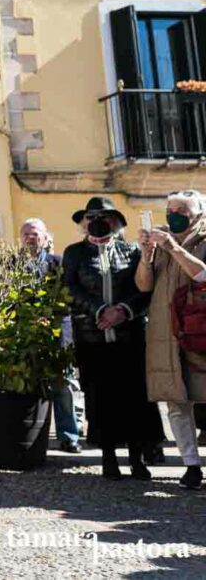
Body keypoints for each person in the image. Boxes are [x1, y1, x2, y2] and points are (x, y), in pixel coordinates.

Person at [63, 196, 162, 481]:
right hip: (92, 339)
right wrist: (100, 310)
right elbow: (69, 289)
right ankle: (108, 458)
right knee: (99, 398)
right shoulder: (74, 253)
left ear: (116, 222)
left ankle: (136, 458)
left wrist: (123, 311)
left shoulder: (131, 251)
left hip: (129, 337)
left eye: (104, 217)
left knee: (134, 399)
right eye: (91, 217)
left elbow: (144, 290)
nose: (97, 222)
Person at [136, 190, 206, 490]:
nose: (174, 214)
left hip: (200, 330)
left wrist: (173, 247)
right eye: (170, 209)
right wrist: (146, 255)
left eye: (181, 210)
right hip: (167, 333)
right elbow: (143, 285)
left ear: (199, 215)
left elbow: (202, 275)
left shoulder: (201, 240)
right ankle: (191, 465)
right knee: (177, 402)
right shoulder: (160, 240)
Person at [20, 218, 83, 454]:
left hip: (57, 333)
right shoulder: (13, 264)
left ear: (45, 237)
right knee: (30, 387)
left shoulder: (58, 263)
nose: (30, 238)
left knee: (62, 387)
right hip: (25, 335)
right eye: (26, 233)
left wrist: (49, 316)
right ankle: (35, 435)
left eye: (35, 233)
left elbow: (68, 297)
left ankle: (68, 436)